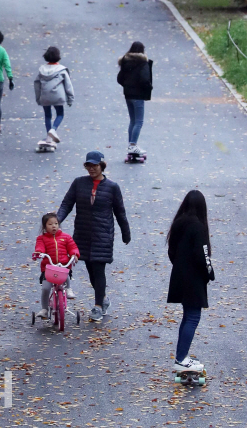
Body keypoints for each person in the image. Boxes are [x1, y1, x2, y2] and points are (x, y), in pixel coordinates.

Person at [56, 151, 131, 322]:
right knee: (90, 268)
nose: (91, 169)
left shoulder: (112, 187)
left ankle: (97, 306)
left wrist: (126, 234)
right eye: (88, 166)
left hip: (102, 234)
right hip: (82, 232)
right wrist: (56, 220)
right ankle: (103, 298)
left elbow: (120, 212)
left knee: (98, 268)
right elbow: (67, 203)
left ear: (101, 166)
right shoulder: (79, 183)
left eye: (95, 166)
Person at [167, 190, 215, 376]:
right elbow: (202, 255)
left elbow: (171, 251)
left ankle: (182, 357)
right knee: (193, 317)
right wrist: (210, 273)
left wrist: (180, 266)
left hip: (179, 276)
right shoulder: (198, 227)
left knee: (188, 316)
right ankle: (181, 359)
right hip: (193, 279)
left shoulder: (178, 224)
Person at [32, 211, 79, 316]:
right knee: (45, 288)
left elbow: (72, 247)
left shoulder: (66, 237)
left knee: (65, 275)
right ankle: (44, 309)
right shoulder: (42, 238)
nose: (53, 226)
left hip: (63, 265)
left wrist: (74, 254)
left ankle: (68, 288)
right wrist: (39, 253)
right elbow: (40, 247)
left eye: (56, 223)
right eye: (50, 224)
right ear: (44, 227)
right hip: (48, 268)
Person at [117, 41, 153, 157]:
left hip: (128, 95)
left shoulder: (125, 62)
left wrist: (128, 87)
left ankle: (131, 145)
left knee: (133, 120)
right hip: (138, 95)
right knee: (139, 121)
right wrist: (148, 87)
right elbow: (144, 79)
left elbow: (119, 78)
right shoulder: (143, 63)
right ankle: (133, 145)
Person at [33, 45, 74, 146]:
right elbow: (68, 85)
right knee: (60, 114)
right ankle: (53, 129)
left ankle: (48, 138)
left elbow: (37, 84)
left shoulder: (41, 70)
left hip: (45, 96)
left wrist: (38, 98)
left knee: (47, 115)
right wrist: (70, 98)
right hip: (58, 96)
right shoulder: (62, 70)